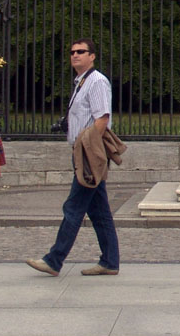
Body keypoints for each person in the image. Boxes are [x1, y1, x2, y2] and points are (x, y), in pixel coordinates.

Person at [26, 38, 121, 277]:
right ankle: (110, 261)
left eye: (81, 51)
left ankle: (54, 259)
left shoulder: (97, 81)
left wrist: (86, 148)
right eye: (72, 52)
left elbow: (102, 119)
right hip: (82, 152)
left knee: (74, 206)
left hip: (88, 154)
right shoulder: (81, 83)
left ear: (92, 56)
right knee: (99, 211)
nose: (75, 55)